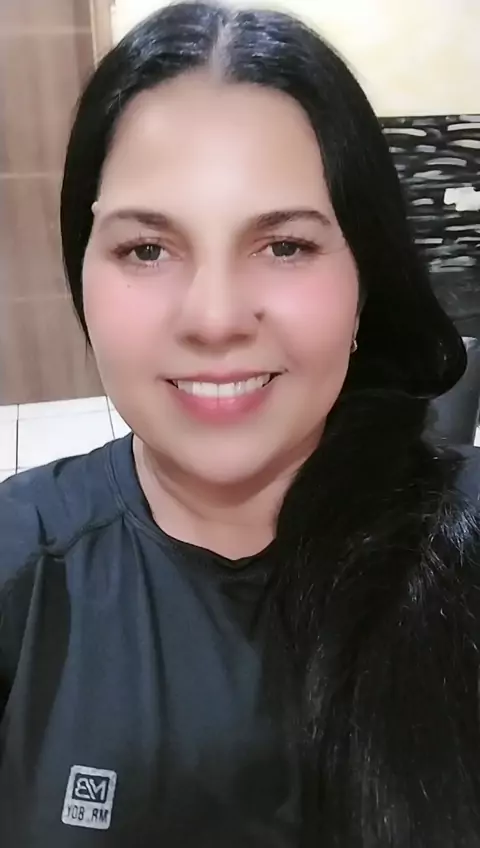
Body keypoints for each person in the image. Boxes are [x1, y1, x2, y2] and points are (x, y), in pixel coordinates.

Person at [0, 2, 479, 845]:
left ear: (364, 281)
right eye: (147, 249)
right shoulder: (21, 569)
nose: (215, 319)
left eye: (284, 246)